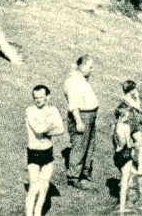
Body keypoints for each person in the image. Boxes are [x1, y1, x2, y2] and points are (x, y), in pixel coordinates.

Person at [25, 85, 66, 216]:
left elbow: (61, 129)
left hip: (48, 152)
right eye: (35, 98)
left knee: (44, 187)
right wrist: (50, 125)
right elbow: (37, 130)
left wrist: (46, 127)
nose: (37, 100)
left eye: (41, 97)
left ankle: (38, 213)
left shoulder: (53, 110)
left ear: (48, 97)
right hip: (34, 152)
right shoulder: (30, 110)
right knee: (33, 187)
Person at [64, 56, 98, 188]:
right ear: (82, 67)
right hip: (82, 116)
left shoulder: (81, 80)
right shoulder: (73, 82)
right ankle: (74, 177)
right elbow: (73, 104)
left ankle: (84, 173)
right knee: (79, 146)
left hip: (89, 115)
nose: (92, 70)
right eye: (90, 67)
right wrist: (78, 121)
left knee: (89, 145)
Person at [121, 81, 142, 176]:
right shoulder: (130, 100)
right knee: (141, 145)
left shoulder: (124, 99)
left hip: (126, 124)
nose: (136, 90)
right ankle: (140, 169)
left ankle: (130, 168)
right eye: (134, 89)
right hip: (132, 124)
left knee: (131, 146)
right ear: (131, 90)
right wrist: (138, 97)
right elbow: (139, 108)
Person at [112, 103, 139, 214]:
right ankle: (122, 209)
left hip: (117, 155)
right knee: (125, 181)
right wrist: (135, 144)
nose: (128, 119)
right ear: (121, 116)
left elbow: (115, 142)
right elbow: (128, 144)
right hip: (126, 154)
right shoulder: (126, 127)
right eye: (127, 116)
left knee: (124, 177)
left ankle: (122, 203)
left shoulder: (114, 126)